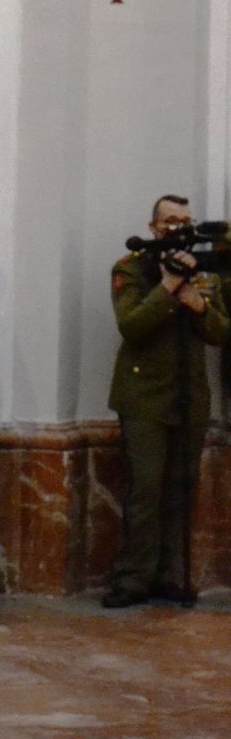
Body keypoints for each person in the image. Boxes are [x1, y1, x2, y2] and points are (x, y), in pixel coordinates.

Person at [103, 195, 227, 608]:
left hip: (189, 396)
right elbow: (132, 325)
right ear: (153, 227)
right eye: (170, 220)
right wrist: (169, 287)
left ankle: (170, 575)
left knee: (180, 489)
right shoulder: (131, 267)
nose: (178, 228)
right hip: (143, 397)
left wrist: (199, 305)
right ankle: (133, 578)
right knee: (146, 490)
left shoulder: (204, 271)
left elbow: (222, 332)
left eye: (185, 221)